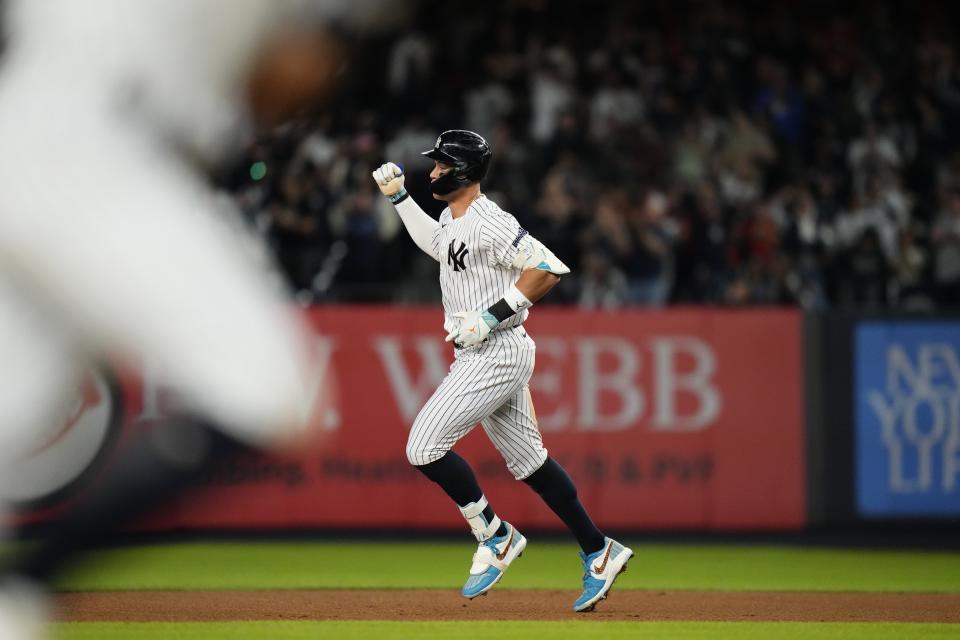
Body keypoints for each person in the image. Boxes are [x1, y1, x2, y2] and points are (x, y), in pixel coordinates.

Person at [0, 0, 371, 635]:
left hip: (25, 135)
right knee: (269, 386)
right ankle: (25, 586)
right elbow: (294, 72)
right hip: (99, 153)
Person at [372, 130, 633, 613]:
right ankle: (600, 550)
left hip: (498, 350)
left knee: (423, 445)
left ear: (464, 171)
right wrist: (401, 199)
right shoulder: (455, 219)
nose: (432, 171)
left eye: (440, 164)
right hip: (485, 351)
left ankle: (493, 534)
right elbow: (437, 243)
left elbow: (549, 268)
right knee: (531, 464)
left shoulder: (489, 220)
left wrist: (491, 315)